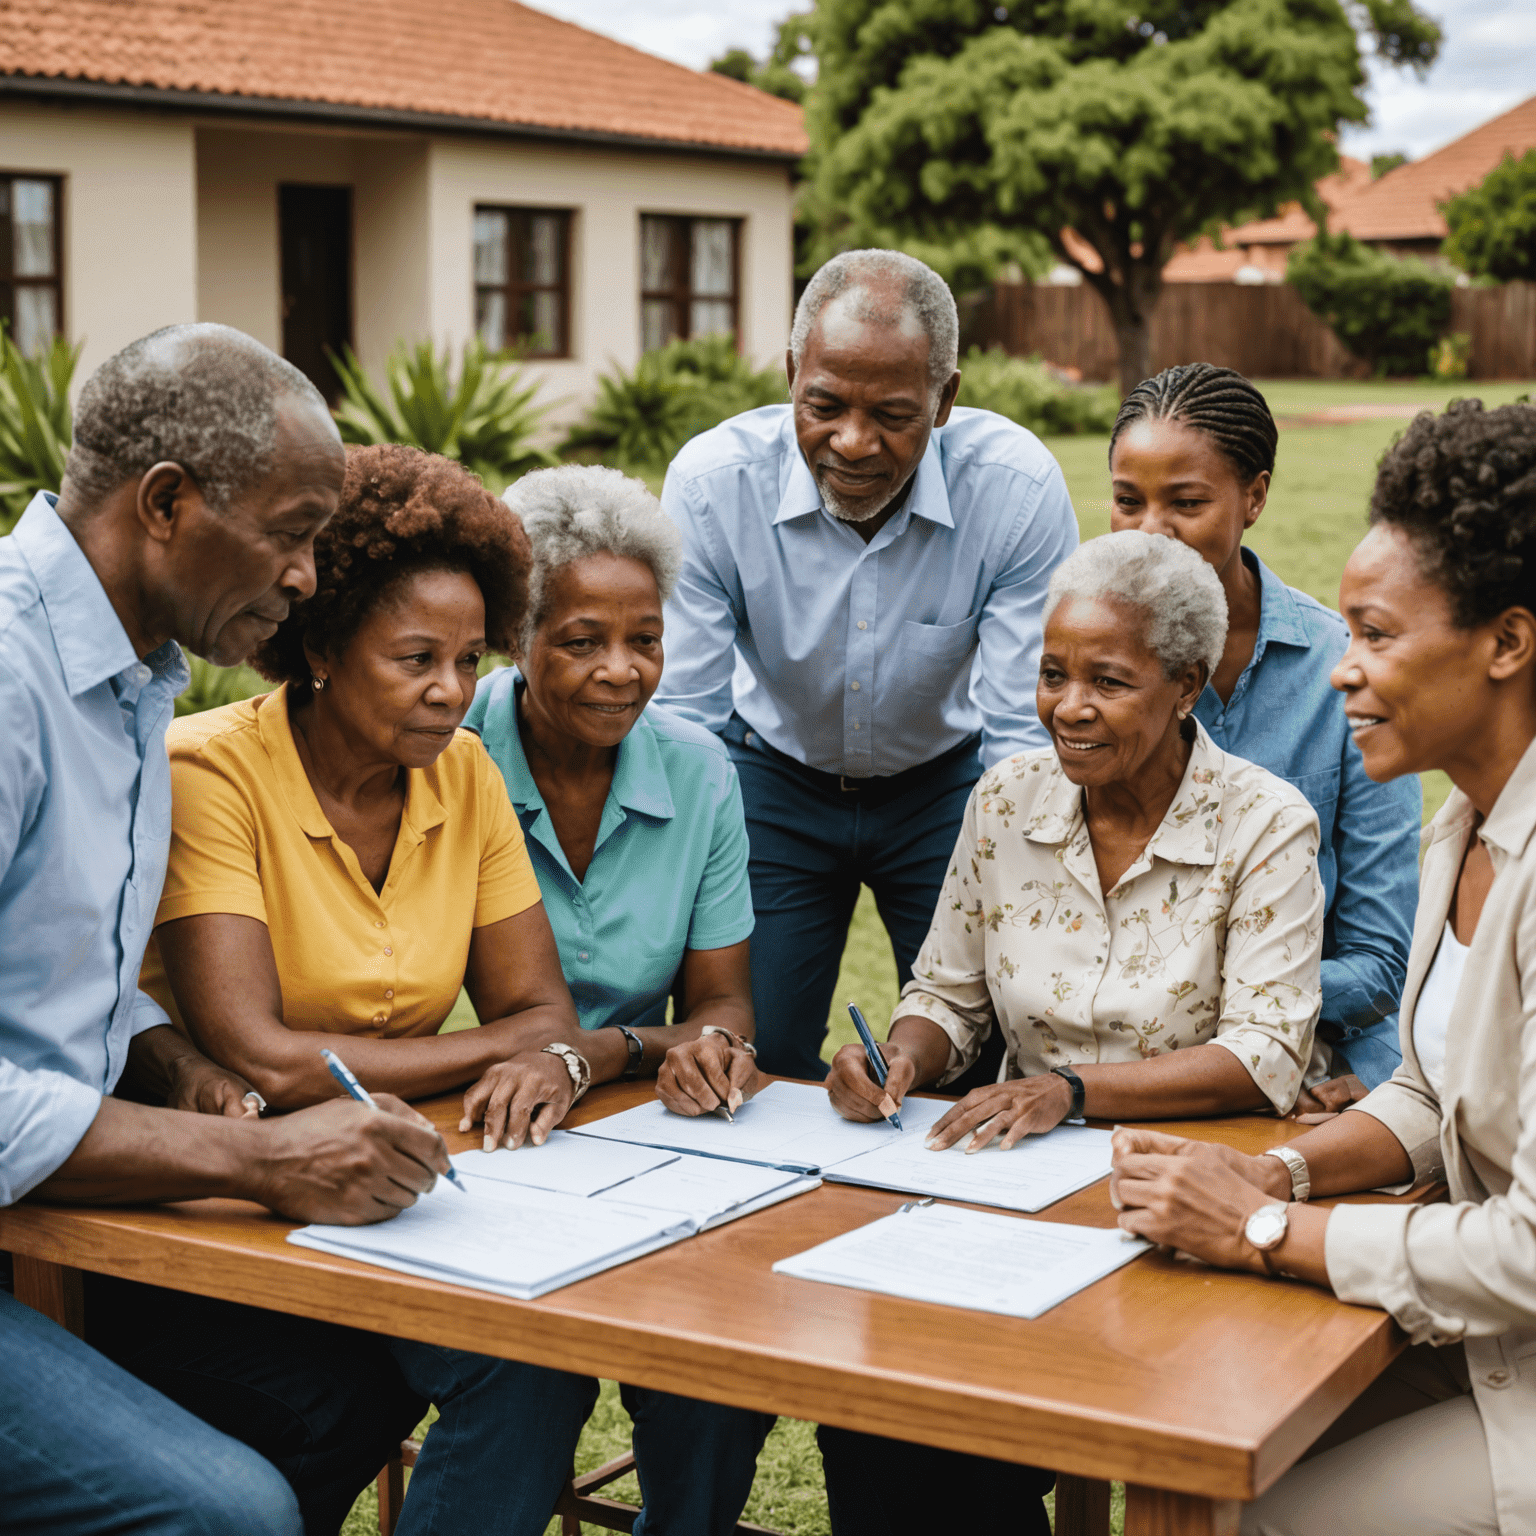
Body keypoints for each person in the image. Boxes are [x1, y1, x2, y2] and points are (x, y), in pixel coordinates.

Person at [145, 447, 762, 1536]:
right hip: (229, 1182)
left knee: (533, 1362)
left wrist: (541, 1046)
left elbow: (540, 1016)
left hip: (400, 1166)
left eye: (469, 659)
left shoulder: (461, 770)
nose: (450, 691)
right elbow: (266, 1057)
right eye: (416, 658)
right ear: (324, 645)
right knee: (508, 1362)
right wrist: (523, 1052)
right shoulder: (212, 774)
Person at [0, 324, 454, 1536]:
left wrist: (177, 1065)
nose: (309, 575)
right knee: (233, 1513)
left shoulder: (133, 676)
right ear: (166, 503)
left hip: (54, 1213)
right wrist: (257, 1159)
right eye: (293, 530)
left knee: (347, 1385)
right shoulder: (8, 680)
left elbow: (53, 970)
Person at [822, 530, 1327, 1536]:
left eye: (1108, 681)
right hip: (1014, 1185)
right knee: (879, 1407)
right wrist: (900, 1056)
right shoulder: (1006, 799)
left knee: (1133, 1405)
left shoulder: (1266, 824)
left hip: (1188, 1189)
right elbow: (949, 995)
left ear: (1186, 687)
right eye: (1053, 674)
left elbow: (1265, 1055)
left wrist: (1073, 1092)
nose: (1068, 707)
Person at [1110, 399, 1536, 1536]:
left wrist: (1259, 1236)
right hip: (1479, 1338)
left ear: (1507, 641)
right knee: (1200, 1435)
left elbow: (1531, 1250)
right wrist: (1278, 1177)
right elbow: (1430, 1090)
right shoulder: (1465, 828)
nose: (1341, 672)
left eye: (1379, 636)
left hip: (1520, 1360)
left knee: (1246, 1514)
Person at [653, 248, 1079, 1081]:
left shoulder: (1016, 491)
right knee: (747, 1053)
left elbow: (1022, 734)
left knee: (978, 1053)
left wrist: (1009, 901)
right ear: (789, 377)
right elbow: (684, 723)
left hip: (946, 788)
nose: (852, 442)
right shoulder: (711, 487)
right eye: (824, 405)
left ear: (945, 399)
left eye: (892, 413)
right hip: (771, 778)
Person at [464, 462, 774, 1532]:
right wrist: (637, 1042)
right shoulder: (447, 753)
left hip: (649, 1140)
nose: (621, 671)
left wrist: (690, 1049)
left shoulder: (698, 770)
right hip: (478, 1134)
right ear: (517, 638)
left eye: (644, 639)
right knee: (525, 1369)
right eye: (582, 640)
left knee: (717, 1366)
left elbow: (725, 1001)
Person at [1108, 363, 1419, 1096]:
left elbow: (1380, 964)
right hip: (1120, 1065)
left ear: (1254, 496)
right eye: (1128, 500)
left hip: (1316, 1064)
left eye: (1186, 502)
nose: (1151, 533)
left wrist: (1187, 994)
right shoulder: (1081, 675)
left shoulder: (1342, 676)